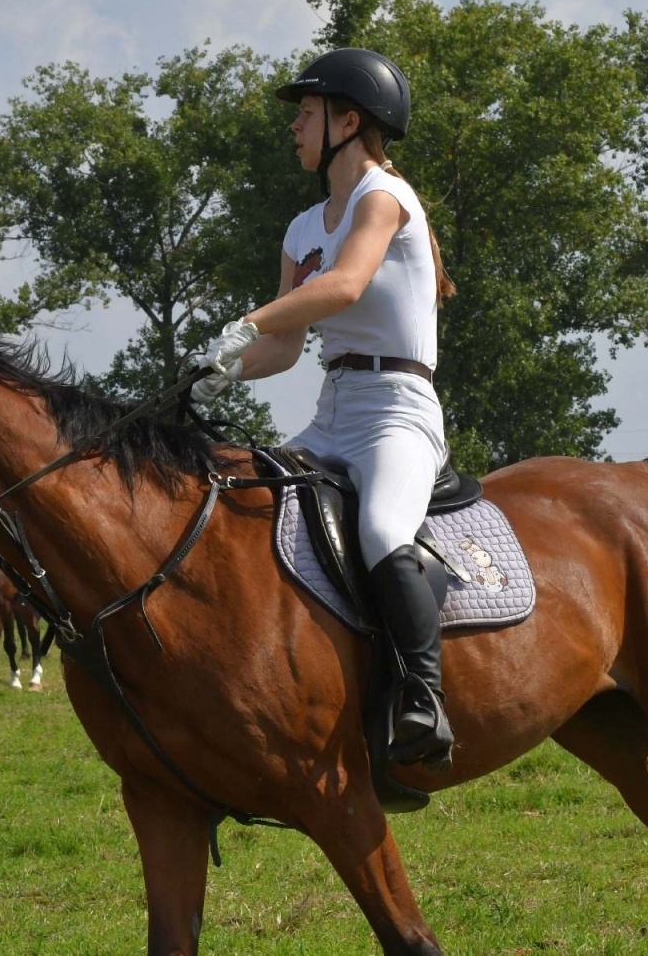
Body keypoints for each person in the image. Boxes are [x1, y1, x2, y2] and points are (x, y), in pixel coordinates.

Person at [191, 47, 458, 770]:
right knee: (256, 507)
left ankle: (423, 698)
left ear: (349, 120)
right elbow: (283, 350)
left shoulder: (384, 198)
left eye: (306, 113)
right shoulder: (303, 225)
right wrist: (218, 373)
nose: (295, 127)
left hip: (399, 410)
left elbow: (343, 287)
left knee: (378, 530)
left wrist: (246, 319)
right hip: (334, 406)